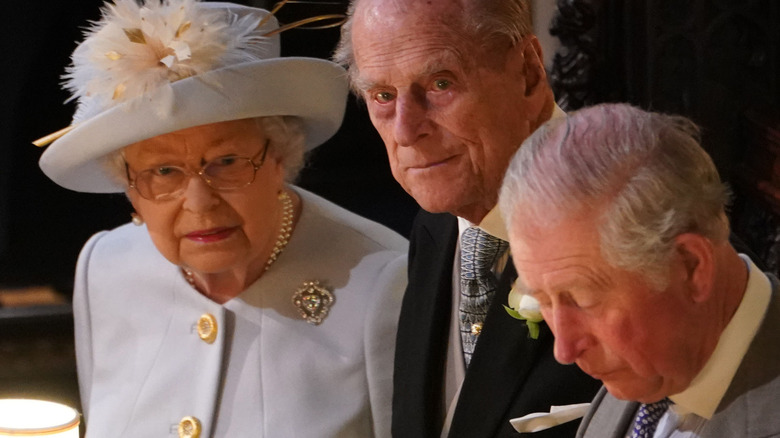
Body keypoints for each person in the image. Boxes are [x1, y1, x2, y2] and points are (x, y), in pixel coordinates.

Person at [37, 1, 407, 437]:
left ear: (280, 157)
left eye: (227, 161)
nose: (199, 202)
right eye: (162, 172)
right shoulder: (104, 268)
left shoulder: (387, 281)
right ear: (130, 190)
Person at [334, 0, 601, 436]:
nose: (405, 130)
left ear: (529, 74)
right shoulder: (436, 224)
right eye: (383, 96)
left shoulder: (632, 224)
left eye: (440, 84)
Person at [499, 103, 780, 438]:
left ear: (691, 267)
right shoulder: (655, 367)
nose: (564, 350)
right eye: (543, 299)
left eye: (585, 300)